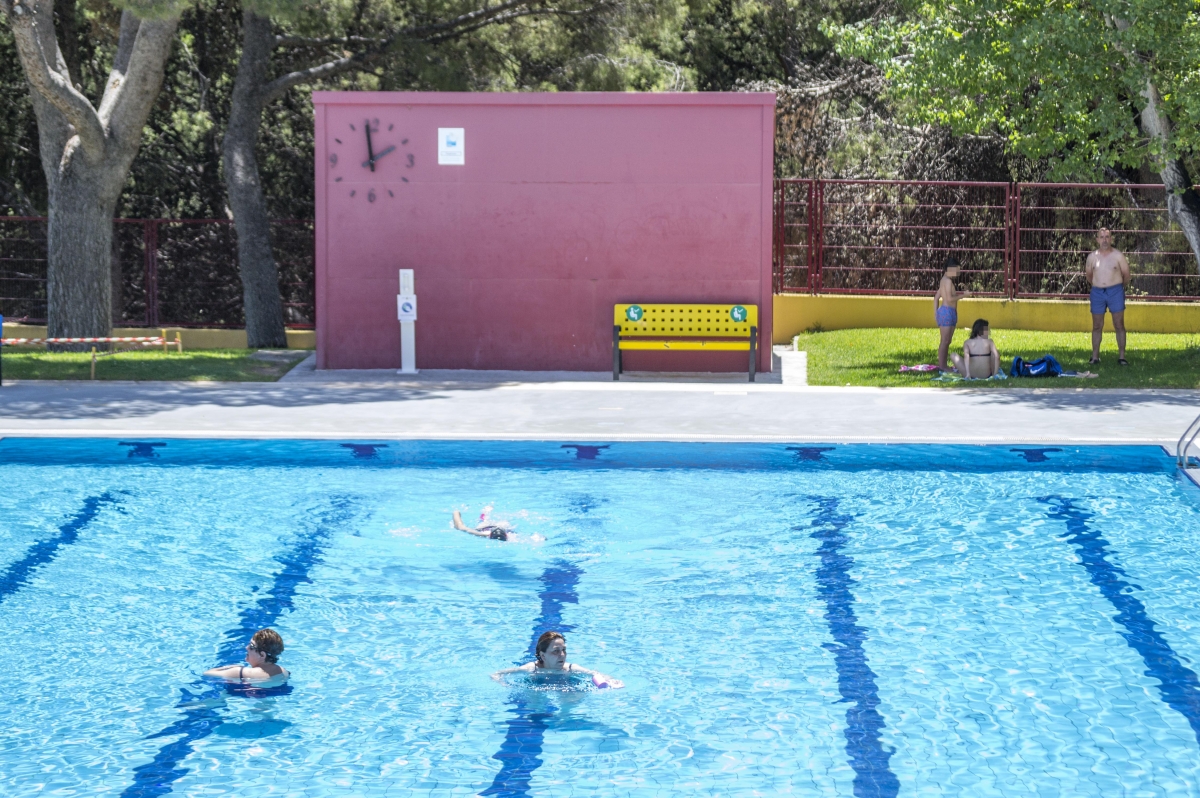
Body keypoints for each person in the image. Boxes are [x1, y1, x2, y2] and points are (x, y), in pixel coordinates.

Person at [492, 630, 624, 689]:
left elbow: (595, 674)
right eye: (556, 651)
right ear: (543, 655)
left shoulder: (570, 669)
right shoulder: (532, 668)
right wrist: (505, 685)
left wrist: (611, 681)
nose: (562, 655)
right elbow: (496, 674)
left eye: (564, 650)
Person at [1085, 227, 1130, 365]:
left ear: (1111, 239)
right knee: (1097, 325)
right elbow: (1089, 276)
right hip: (1097, 292)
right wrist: (1099, 285)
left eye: (1107, 237)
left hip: (1115, 292)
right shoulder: (1092, 257)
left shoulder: (1118, 256)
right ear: (1097, 239)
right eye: (1102, 237)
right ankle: (1095, 357)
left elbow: (1126, 275)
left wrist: (1117, 287)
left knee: (1119, 324)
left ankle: (1122, 357)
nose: (1104, 240)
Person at [204, 628, 290, 685]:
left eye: (251, 646)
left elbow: (207, 674)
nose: (247, 647)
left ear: (262, 655)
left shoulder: (241, 673)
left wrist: (231, 667)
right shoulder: (284, 672)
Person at [933, 258, 970, 370]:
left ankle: (943, 365)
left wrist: (936, 313)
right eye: (956, 270)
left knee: (947, 341)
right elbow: (949, 299)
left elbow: (936, 298)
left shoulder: (945, 280)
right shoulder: (947, 281)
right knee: (945, 341)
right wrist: (964, 295)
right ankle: (942, 366)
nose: (957, 273)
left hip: (950, 312)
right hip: (947, 312)